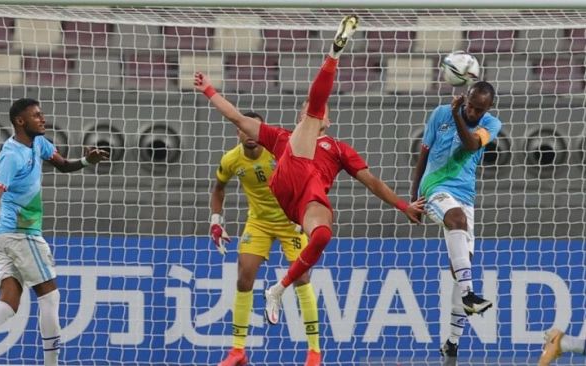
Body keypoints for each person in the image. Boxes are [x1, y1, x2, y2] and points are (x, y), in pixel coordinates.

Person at [195, 14, 425, 328]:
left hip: (306, 202)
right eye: (306, 109)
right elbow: (236, 117)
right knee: (310, 116)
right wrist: (209, 90)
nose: (312, 112)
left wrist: (402, 205)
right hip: (289, 175)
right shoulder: (281, 137)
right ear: (301, 114)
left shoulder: (340, 149)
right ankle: (334, 54)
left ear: (328, 121)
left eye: (317, 112)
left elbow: (371, 181)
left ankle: (278, 288)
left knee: (323, 234)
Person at [0, 98, 109, 366]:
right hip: (21, 235)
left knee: (8, 304)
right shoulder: (11, 155)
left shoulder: (39, 143)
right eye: (36, 115)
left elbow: (64, 165)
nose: (42, 119)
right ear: (20, 121)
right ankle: (52, 363)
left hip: (6, 238)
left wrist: (86, 161)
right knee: (50, 296)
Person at [210, 113, 321, 365]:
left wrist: (302, 213)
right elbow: (218, 188)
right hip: (258, 222)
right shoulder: (231, 160)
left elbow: (307, 178)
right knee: (244, 275)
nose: (249, 134)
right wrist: (215, 221)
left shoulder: (279, 152)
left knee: (302, 277)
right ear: (237, 132)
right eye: (243, 129)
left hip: (288, 220)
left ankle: (314, 351)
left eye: (254, 129)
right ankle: (238, 350)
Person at [409, 81, 501, 365]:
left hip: (465, 195)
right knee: (456, 221)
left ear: (488, 108)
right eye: (470, 104)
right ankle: (469, 295)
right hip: (435, 187)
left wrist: (460, 117)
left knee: (460, 266)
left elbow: (471, 143)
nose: (472, 111)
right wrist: (412, 199)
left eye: (478, 108)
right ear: (466, 97)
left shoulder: (491, 124)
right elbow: (423, 153)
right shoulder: (440, 114)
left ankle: (451, 343)